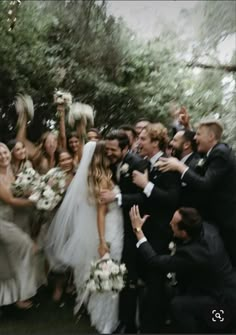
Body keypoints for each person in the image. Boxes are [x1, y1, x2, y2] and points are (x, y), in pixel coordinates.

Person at [45, 141, 124, 333]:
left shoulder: (93, 176)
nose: (111, 154)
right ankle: (105, 319)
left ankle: (98, 312)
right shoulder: (102, 178)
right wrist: (103, 241)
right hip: (110, 228)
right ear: (100, 155)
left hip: (111, 225)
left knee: (103, 269)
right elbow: (100, 212)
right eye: (107, 152)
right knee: (109, 269)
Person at [129, 205, 236, 333]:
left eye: (173, 224)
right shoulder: (207, 227)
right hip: (217, 286)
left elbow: (154, 261)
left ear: (184, 232)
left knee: (178, 305)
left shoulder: (194, 253)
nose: (170, 224)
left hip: (221, 300)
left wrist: (138, 230)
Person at [158, 119, 236, 267]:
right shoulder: (213, 151)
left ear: (211, 137)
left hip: (227, 221)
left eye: (198, 134)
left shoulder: (220, 153)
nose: (195, 138)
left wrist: (179, 167)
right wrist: (187, 126)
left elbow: (205, 183)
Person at [130, 123, 180, 332]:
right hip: (144, 230)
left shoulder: (166, 165)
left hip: (160, 233)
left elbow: (172, 199)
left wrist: (146, 185)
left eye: (143, 139)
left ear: (155, 142)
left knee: (156, 282)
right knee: (147, 281)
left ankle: (153, 327)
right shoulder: (144, 164)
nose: (138, 142)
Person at [100, 130, 148, 333]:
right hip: (117, 226)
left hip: (133, 227)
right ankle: (122, 320)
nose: (109, 153)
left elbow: (145, 198)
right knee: (121, 275)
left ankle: (131, 324)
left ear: (125, 148)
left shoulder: (138, 164)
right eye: (107, 149)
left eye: (113, 150)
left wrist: (117, 198)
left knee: (130, 276)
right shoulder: (110, 163)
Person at [0, 143, 38, 309]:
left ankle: (15, 297)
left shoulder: (10, 170)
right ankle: (22, 294)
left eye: (5, 153)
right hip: (1, 220)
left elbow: (18, 191)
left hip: (10, 218)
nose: (3, 157)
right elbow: (10, 200)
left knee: (6, 261)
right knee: (26, 245)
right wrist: (34, 201)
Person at [170, 130, 200, 207]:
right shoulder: (176, 161)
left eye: (175, 140)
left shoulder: (195, 165)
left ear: (186, 145)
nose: (171, 143)